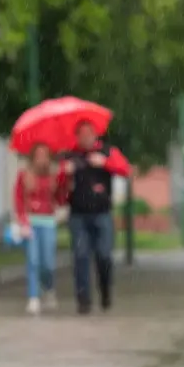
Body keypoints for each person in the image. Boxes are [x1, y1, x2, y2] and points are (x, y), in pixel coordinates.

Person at [65, 121, 131, 314]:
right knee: (80, 255)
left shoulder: (107, 151)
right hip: (78, 214)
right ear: (77, 136)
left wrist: (105, 163)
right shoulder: (70, 155)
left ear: (95, 135)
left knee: (104, 255)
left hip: (102, 212)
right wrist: (65, 173)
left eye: (89, 134)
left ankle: (105, 290)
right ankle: (83, 299)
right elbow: (57, 180)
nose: (86, 137)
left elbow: (125, 169)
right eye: (82, 134)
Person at [13, 143, 69, 315]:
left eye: (45, 155)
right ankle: (33, 298)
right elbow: (18, 199)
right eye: (38, 155)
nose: (41, 159)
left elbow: (61, 198)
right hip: (31, 222)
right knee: (33, 260)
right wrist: (23, 221)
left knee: (48, 263)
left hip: (48, 222)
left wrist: (64, 179)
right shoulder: (24, 175)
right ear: (32, 158)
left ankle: (49, 289)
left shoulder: (55, 176)